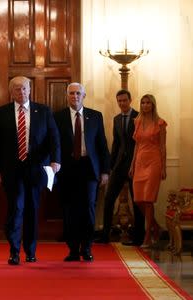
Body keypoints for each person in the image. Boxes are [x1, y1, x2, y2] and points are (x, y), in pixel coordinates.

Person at [0, 76, 61, 265]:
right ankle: (14, 251)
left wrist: (56, 161)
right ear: (11, 92)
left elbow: (54, 138)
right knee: (16, 208)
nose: (20, 92)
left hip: (36, 168)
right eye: (16, 89)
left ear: (29, 90)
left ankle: (30, 250)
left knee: (32, 209)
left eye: (23, 88)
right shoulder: (2, 113)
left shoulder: (43, 111)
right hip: (12, 170)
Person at [54, 82, 110, 262]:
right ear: (67, 95)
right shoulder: (58, 117)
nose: (75, 96)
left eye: (78, 93)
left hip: (89, 168)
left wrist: (105, 171)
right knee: (70, 210)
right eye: (71, 93)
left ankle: (86, 248)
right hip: (67, 169)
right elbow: (54, 144)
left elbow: (102, 145)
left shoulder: (95, 116)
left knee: (88, 209)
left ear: (83, 95)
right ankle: (72, 250)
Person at [97, 90, 145, 246]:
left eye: (124, 100)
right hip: (118, 166)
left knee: (137, 202)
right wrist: (110, 167)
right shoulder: (117, 119)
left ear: (130, 100)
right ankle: (105, 236)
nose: (122, 103)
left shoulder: (139, 116)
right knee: (109, 198)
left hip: (135, 166)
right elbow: (116, 144)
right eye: (119, 101)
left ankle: (138, 237)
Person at [129, 94, 167, 248]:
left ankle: (148, 236)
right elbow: (136, 145)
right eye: (143, 103)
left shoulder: (160, 123)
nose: (145, 105)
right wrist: (132, 165)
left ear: (153, 105)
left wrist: (163, 167)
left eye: (148, 103)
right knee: (138, 199)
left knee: (149, 200)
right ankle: (156, 227)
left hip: (154, 162)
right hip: (139, 162)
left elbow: (163, 147)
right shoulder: (137, 121)